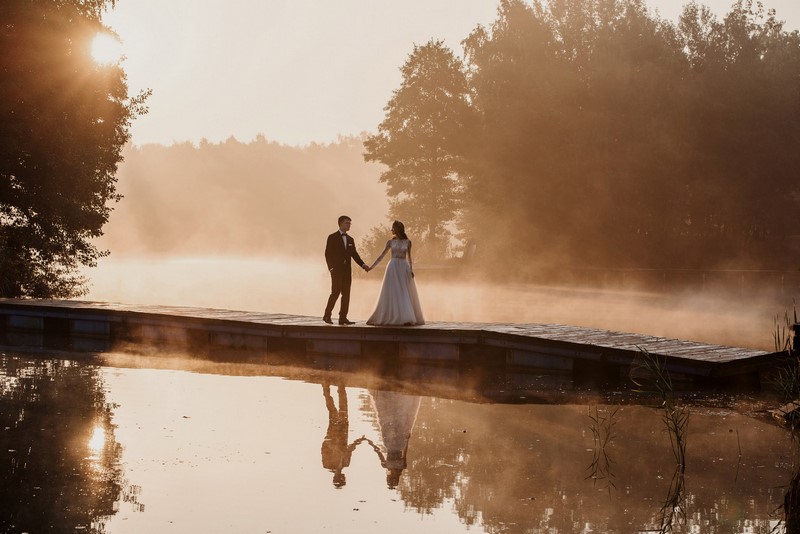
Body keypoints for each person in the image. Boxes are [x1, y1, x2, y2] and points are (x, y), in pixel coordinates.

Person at [365, 220, 424, 326]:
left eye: (392, 228)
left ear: (397, 229)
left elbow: (410, 258)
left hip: (403, 267)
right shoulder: (390, 242)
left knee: (403, 291)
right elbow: (381, 256)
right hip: (392, 268)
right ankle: (393, 315)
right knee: (392, 291)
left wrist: (411, 270)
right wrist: (372, 267)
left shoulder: (408, 242)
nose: (391, 230)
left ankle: (406, 317)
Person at [324, 215, 369, 325]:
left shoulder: (350, 239)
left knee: (346, 294)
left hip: (347, 271)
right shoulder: (332, 237)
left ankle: (343, 318)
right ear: (340, 224)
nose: (349, 225)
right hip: (336, 271)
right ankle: (327, 315)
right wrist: (331, 268)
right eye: (347, 223)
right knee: (335, 292)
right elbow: (327, 254)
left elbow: (354, 254)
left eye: (349, 223)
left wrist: (363, 265)